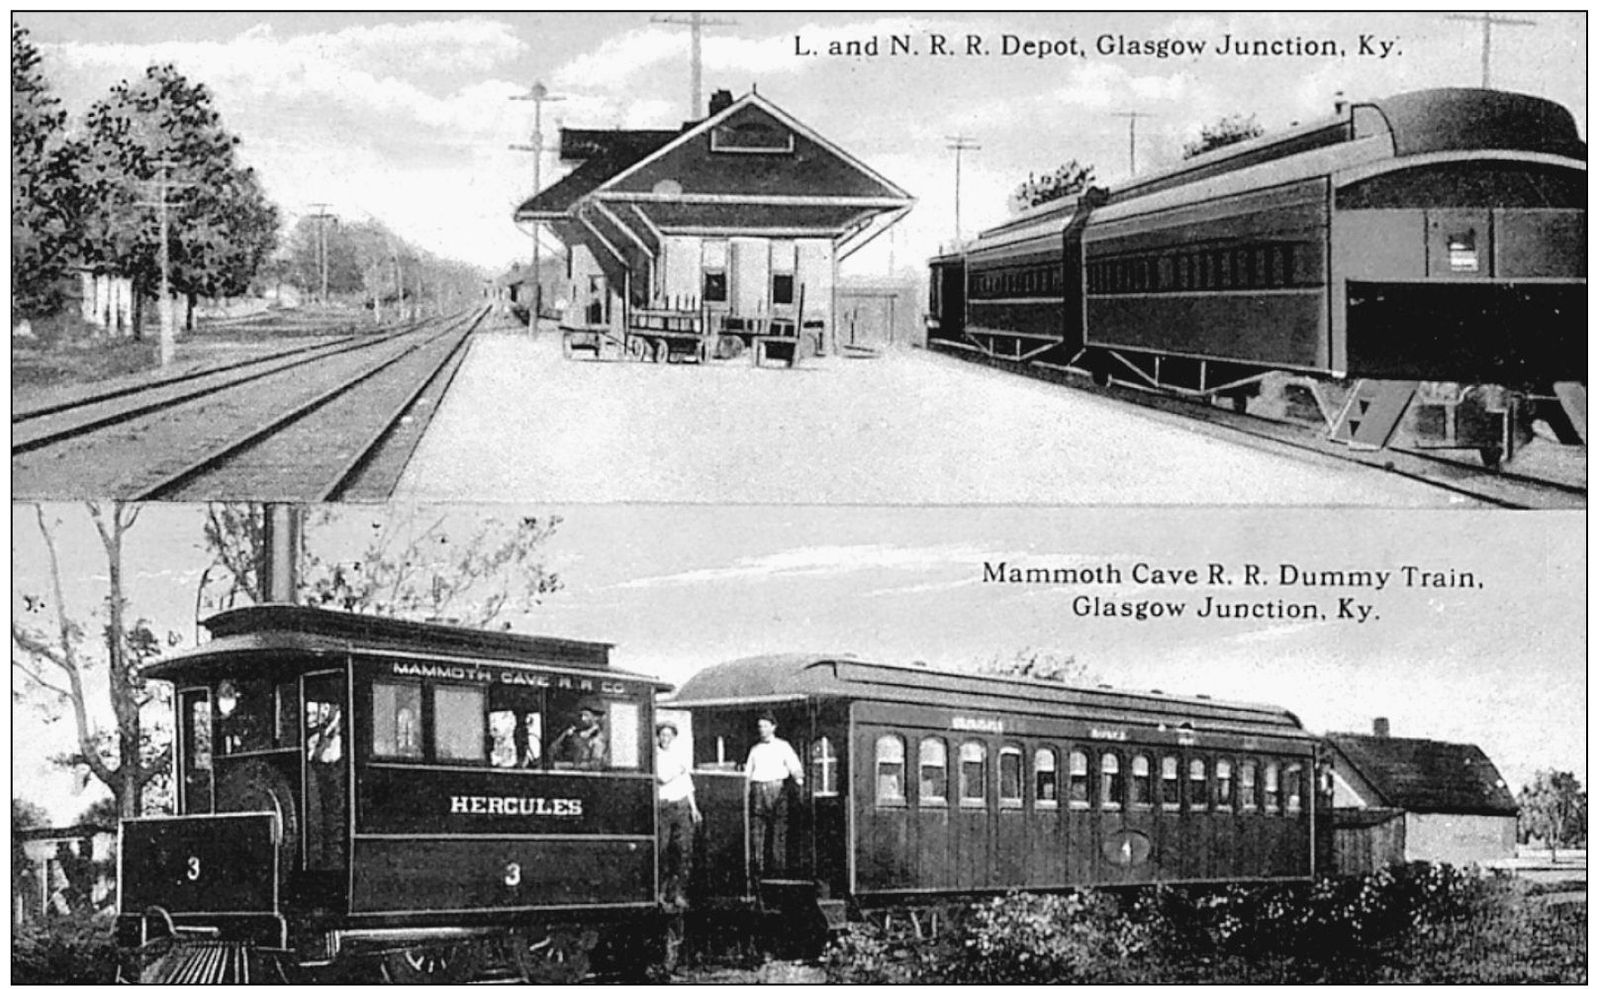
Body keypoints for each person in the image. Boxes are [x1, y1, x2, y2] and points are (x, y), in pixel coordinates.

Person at [744, 711, 803, 881]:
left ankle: (778, 874)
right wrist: (748, 793)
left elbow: (795, 767)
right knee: (757, 835)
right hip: (758, 792)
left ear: (773, 727)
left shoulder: (783, 746)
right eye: (760, 726)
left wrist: (799, 782)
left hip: (777, 790)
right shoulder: (755, 749)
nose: (761, 730)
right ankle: (757, 875)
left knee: (778, 834)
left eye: (765, 726)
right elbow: (748, 775)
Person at [654, 722, 700, 909]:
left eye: (669, 735)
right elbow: (662, 778)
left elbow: (687, 785)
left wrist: (694, 808)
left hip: (681, 806)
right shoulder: (654, 756)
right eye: (662, 735)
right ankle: (661, 893)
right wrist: (678, 771)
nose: (665, 739)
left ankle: (678, 893)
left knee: (683, 852)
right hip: (664, 806)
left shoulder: (677, 755)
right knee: (663, 851)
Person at [554, 700, 608, 769]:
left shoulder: (598, 739)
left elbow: (595, 764)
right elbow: (554, 750)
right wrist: (565, 735)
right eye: (581, 715)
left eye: (586, 716)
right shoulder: (575, 734)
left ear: (596, 718)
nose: (583, 719)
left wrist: (564, 766)